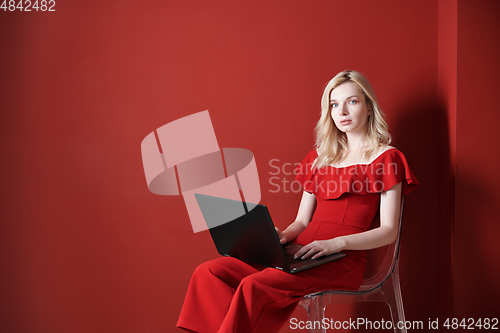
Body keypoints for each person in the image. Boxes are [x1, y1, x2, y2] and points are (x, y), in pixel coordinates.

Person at [176, 70, 419, 333]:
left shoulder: (387, 158)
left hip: (341, 259)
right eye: (334, 104)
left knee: (253, 285)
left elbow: (388, 232)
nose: (342, 112)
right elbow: (302, 221)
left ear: (369, 107)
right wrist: (280, 236)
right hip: (300, 252)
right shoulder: (319, 158)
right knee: (208, 272)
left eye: (352, 101)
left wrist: (336, 243)